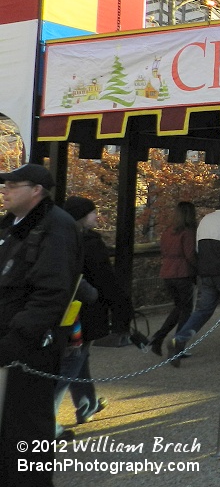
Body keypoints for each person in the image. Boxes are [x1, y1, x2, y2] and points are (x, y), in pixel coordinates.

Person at [0, 164, 80, 486]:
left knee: (28, 421)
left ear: (37, 190)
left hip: (30, 344)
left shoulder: (56, 226)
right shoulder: (11, 225)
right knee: (10, 421)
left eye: (12, 185)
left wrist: (19, 337)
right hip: (9, 338)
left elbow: (51, 290)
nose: (4, 190)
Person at [56, 197, 132, 429]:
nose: (96, 216)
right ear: (81, 216)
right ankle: (46, 412)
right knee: (74, 360)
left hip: (67, 308)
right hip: (85, 310)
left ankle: (87, 403)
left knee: (80, 357)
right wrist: (120, 304)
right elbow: (105, 279)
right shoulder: (89, 242)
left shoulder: (60, 238)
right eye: (92, 213)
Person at [169, 189, 220, 365]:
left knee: (203, 310)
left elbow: (197, 248)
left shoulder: (206, 219)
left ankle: (180, 339)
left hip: (205, 271)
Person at [148, 201, 198, 355]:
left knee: (179, 308)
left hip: (167, 272)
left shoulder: (168, 231)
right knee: (186, 310)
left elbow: (163, 250)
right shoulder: (188, 232)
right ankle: (178, 345)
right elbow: (190, 254)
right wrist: (199, 268)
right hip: (182, 272)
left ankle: (159, 336)